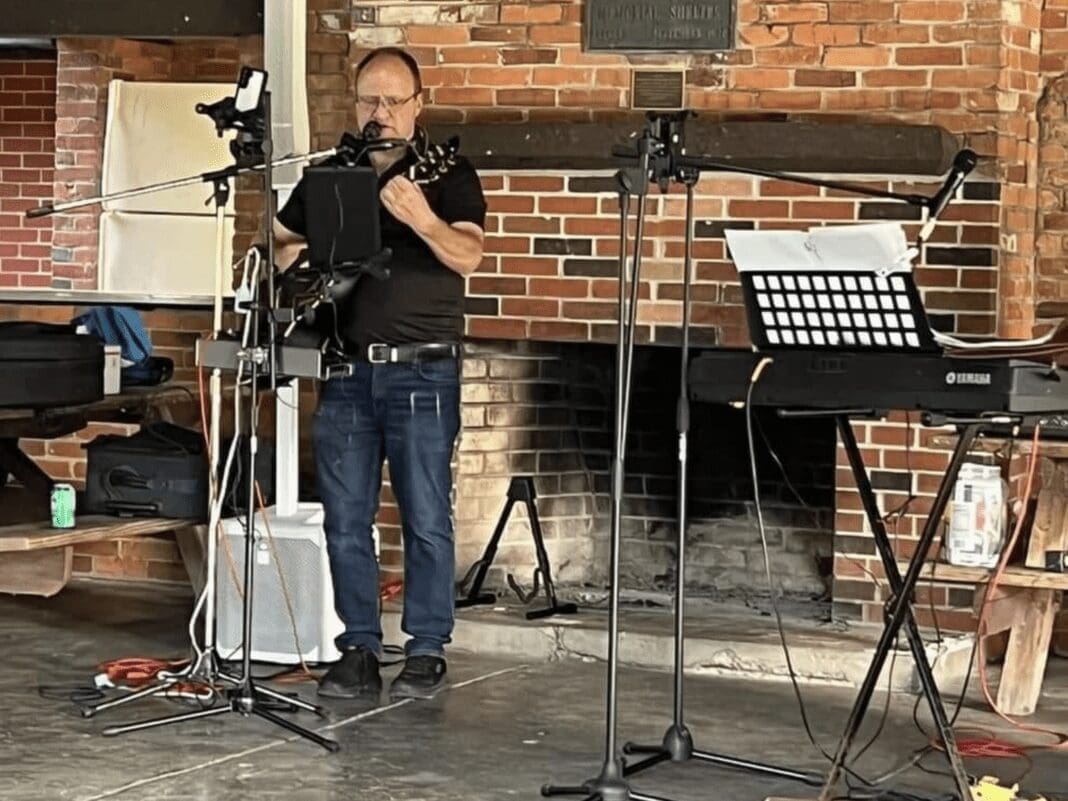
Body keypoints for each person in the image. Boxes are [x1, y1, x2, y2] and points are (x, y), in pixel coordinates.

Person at [273, 46, 486, 700]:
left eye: (394, 101)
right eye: (370, 99)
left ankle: (425, 647)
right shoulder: (331, 175)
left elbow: (469, 255)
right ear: (354, 102)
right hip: (345, 372)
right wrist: (306, 265)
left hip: (422, 374)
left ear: (418, 105)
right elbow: (276, 242)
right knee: (345, 517)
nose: (381, 112)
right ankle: (359, 645)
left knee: (425, 515)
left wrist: (420, 217)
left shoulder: (450, 173)